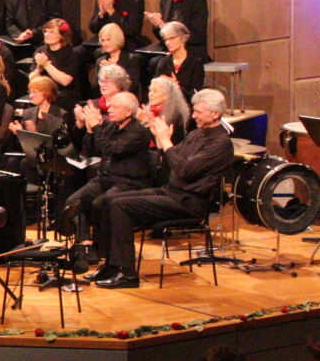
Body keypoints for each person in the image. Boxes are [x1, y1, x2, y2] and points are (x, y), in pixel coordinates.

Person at [93, 88, 235, 288]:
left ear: (215, 114)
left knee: (120, 206)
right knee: (108, 200)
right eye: (194, 111)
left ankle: (128, 274)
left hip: (190, 202)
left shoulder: (220, 143)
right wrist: (161, 140)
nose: (193, 116)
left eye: (198, 112)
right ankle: (111, 265)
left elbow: (184, 169)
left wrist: (165, 140)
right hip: (172, 192)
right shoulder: (197, 133)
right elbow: (174, 159)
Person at [61, 91, 152, 261]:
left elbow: (112, 148)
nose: (109, 108)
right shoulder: (111, 127)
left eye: (115, 106)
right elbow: (88, 151)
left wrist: (96, 127)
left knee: (99, 204)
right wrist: (89, 130)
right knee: (73, 202)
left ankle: (101, 249)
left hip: (128, 182)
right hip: (105, 178)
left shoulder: (138, 132)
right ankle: (85, 244)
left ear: (128, 112)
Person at [149, 20, 206, 104]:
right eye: (166, 39)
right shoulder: (163, 62)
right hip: (167, 106)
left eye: (172, 38)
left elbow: (195, 96)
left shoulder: (195, 62)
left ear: (183, 38)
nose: (168, 43)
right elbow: (157, 90)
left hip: (187, 107)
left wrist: (176, 87)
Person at [30, 18, 81, 111]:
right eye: (45, 31)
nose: (47, 35)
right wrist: (39, 69)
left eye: (52, 32)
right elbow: (32, 80)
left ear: (62, 36)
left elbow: (65, 81)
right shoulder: (40, 51)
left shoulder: (71, 53)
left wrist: (47, 65)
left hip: (63, 96)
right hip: (44, 95)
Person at [92, 22, 141, 98]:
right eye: (103, 40)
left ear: (117, 39)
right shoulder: (100, 61)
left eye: (108, 40)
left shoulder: (131, 59)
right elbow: (95, 87)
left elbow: (132, 86)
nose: (105, 44)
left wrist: (115, 70)